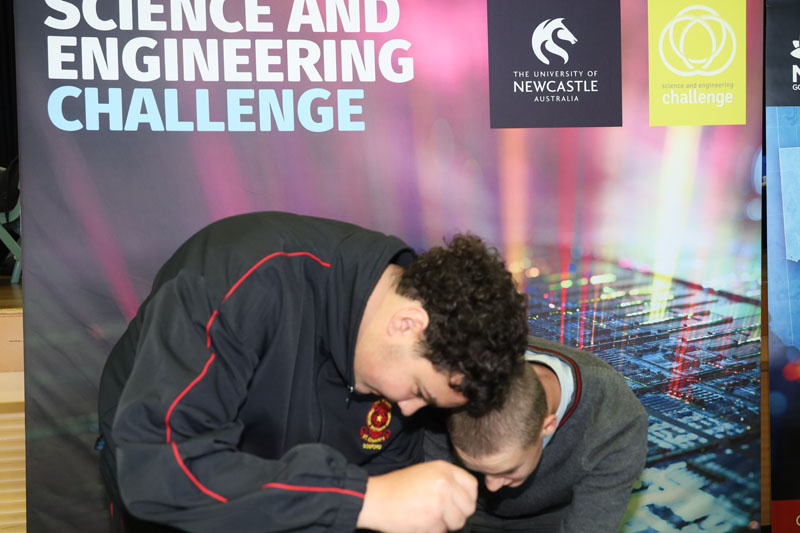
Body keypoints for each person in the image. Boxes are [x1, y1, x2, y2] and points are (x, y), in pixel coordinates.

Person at [97, 211, 528, 532]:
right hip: (173, 509)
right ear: (407, 324)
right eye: (420, 391)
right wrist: (363, 500)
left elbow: (383, 479)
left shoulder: (412, 358)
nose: (410, 410)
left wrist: (373, 503)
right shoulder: (242, 276)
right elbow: (160, 470)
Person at [427, 335, 648, 532]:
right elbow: (434, 488)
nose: (491, 486)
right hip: (466, 507)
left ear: (548, 426)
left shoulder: (614, 418)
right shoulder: (449, 384)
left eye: (508, 470)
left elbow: (590, 523)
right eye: (478, 470)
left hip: (554, 519)